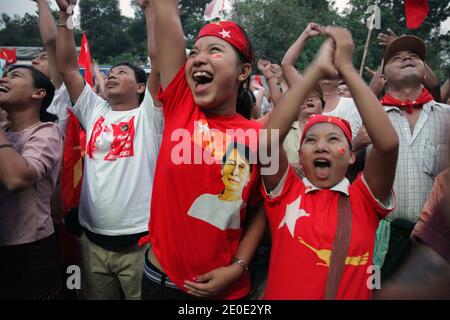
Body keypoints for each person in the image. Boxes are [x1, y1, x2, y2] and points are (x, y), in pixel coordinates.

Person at [260, 26, 398, 299]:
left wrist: (346, 68)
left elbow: (388, 145)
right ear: (300, 155)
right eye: (310, 141)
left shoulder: (364, 200)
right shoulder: (286, 194)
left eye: (334, 139)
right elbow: (267, 143)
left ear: (350, 155)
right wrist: (316, 71)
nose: (321, 145)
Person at [140, 0, 266, 300]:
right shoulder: (181, 104)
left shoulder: (260, 135)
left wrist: (238, 267)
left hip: (227, 293)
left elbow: (261, 209)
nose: (198, 59)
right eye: (194, 52)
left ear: (243, 70)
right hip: (160, 282)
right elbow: (166, 12)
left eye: (215, 51)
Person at [55, 0, 163, 300]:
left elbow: (158, 61)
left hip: (139, 245)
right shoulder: (94, 111)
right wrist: (65, 16)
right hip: (93, 245)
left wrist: (149, 12)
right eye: (111, 71)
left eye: (122, 72)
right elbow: (66, 67)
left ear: (141, 87)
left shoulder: (150, 116)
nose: (112, 75)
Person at [372, 35, 450, 282]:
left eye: (414, 56)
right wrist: (356, 143)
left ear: (426, 73)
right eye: (396, 57)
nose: (406, 57)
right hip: (382, 237)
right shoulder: (367, 119)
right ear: (382, 78)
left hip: (436, 242)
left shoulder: (448, 117)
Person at [0, 65, 64, 299]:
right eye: (4, 75)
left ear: (38, 93)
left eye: (14, 76)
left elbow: (17, 178)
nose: (4, 79)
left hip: (30, 251)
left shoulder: (47, 132)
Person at [281, 22, 362, 138]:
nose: (327, 67)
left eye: (333, 62)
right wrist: (305, 35)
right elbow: (286, 64)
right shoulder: (305, 97)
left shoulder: (354, 105)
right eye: (326, 60)